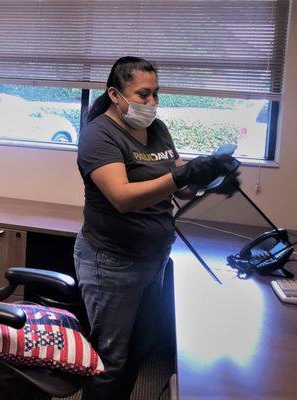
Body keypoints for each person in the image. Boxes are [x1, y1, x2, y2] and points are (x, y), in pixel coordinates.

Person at [74, 56, 238, 400]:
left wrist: (210, 178)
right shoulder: (98, 136)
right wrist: (183, 174)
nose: (152, 103)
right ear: (115, 95)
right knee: (110, 359)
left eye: (156, 94)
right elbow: (122, 197)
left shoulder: (158, 129)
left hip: (154, 259)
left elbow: (180, 185)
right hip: (112, 262)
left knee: (141, 346)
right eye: (143, 94)